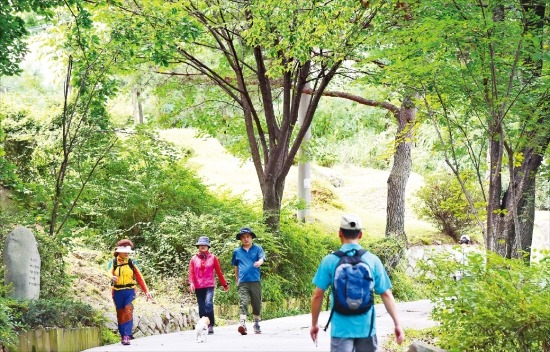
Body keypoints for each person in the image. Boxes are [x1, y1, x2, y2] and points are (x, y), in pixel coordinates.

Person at [310, 214, 404, 352]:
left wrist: (314, 324)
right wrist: (397, 324)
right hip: (367, 327)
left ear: (340, 233)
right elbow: (386, 294)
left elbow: (318, 294)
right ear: (360, 235)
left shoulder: (330, 261)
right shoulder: (372, 260)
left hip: (341, 329)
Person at [108, 239, 153, 346]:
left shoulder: (132, 263)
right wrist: (112, 277)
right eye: (125, 251)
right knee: (121, 314)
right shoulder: (113, 262)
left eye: (128, 251)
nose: (127, 253)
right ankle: (123, 335)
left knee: (128, 311)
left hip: (130, 291)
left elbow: (139, 277)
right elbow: (108, 272)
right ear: (119, 251)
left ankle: (127, 336)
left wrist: (146, 291)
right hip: (117, 292)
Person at [188, 236, 229, 335]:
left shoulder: (213, 258)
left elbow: (219, 272)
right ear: (198, 246)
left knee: (208, 304)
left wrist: (224, 284)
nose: (202, 246)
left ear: (208, 246)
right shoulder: (194, 259)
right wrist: (191, 283)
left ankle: (210, 324)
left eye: (204, 245)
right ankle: (204, 325)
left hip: (209, 285)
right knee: (202, 307)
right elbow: (191, 273)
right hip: (198, 286)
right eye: (200, 245)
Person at [231, 227, 266, 335]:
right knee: (243, 302)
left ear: (251, 238)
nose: (246, 239)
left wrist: (259, 262)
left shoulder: (258, 249)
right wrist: (237, 279)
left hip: (255, 281)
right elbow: (236, 266)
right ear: (241, 239)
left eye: (248, 237)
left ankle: (256, 324)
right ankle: (243, 324)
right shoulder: (237, 252)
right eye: (243, 237)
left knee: (256, 303)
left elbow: (262, 258)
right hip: (243, 282)